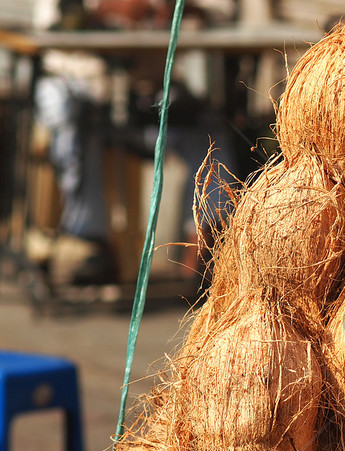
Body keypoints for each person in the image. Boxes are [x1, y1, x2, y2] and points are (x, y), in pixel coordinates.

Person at [30, 0, 237, 286]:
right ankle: (92, 241)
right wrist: (103, 10)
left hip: (146, 93)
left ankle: (204, 242)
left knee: (209, 134)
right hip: (85, 86)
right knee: (72, 123)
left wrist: (179, 7)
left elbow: (221, 10)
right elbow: (49, 25)